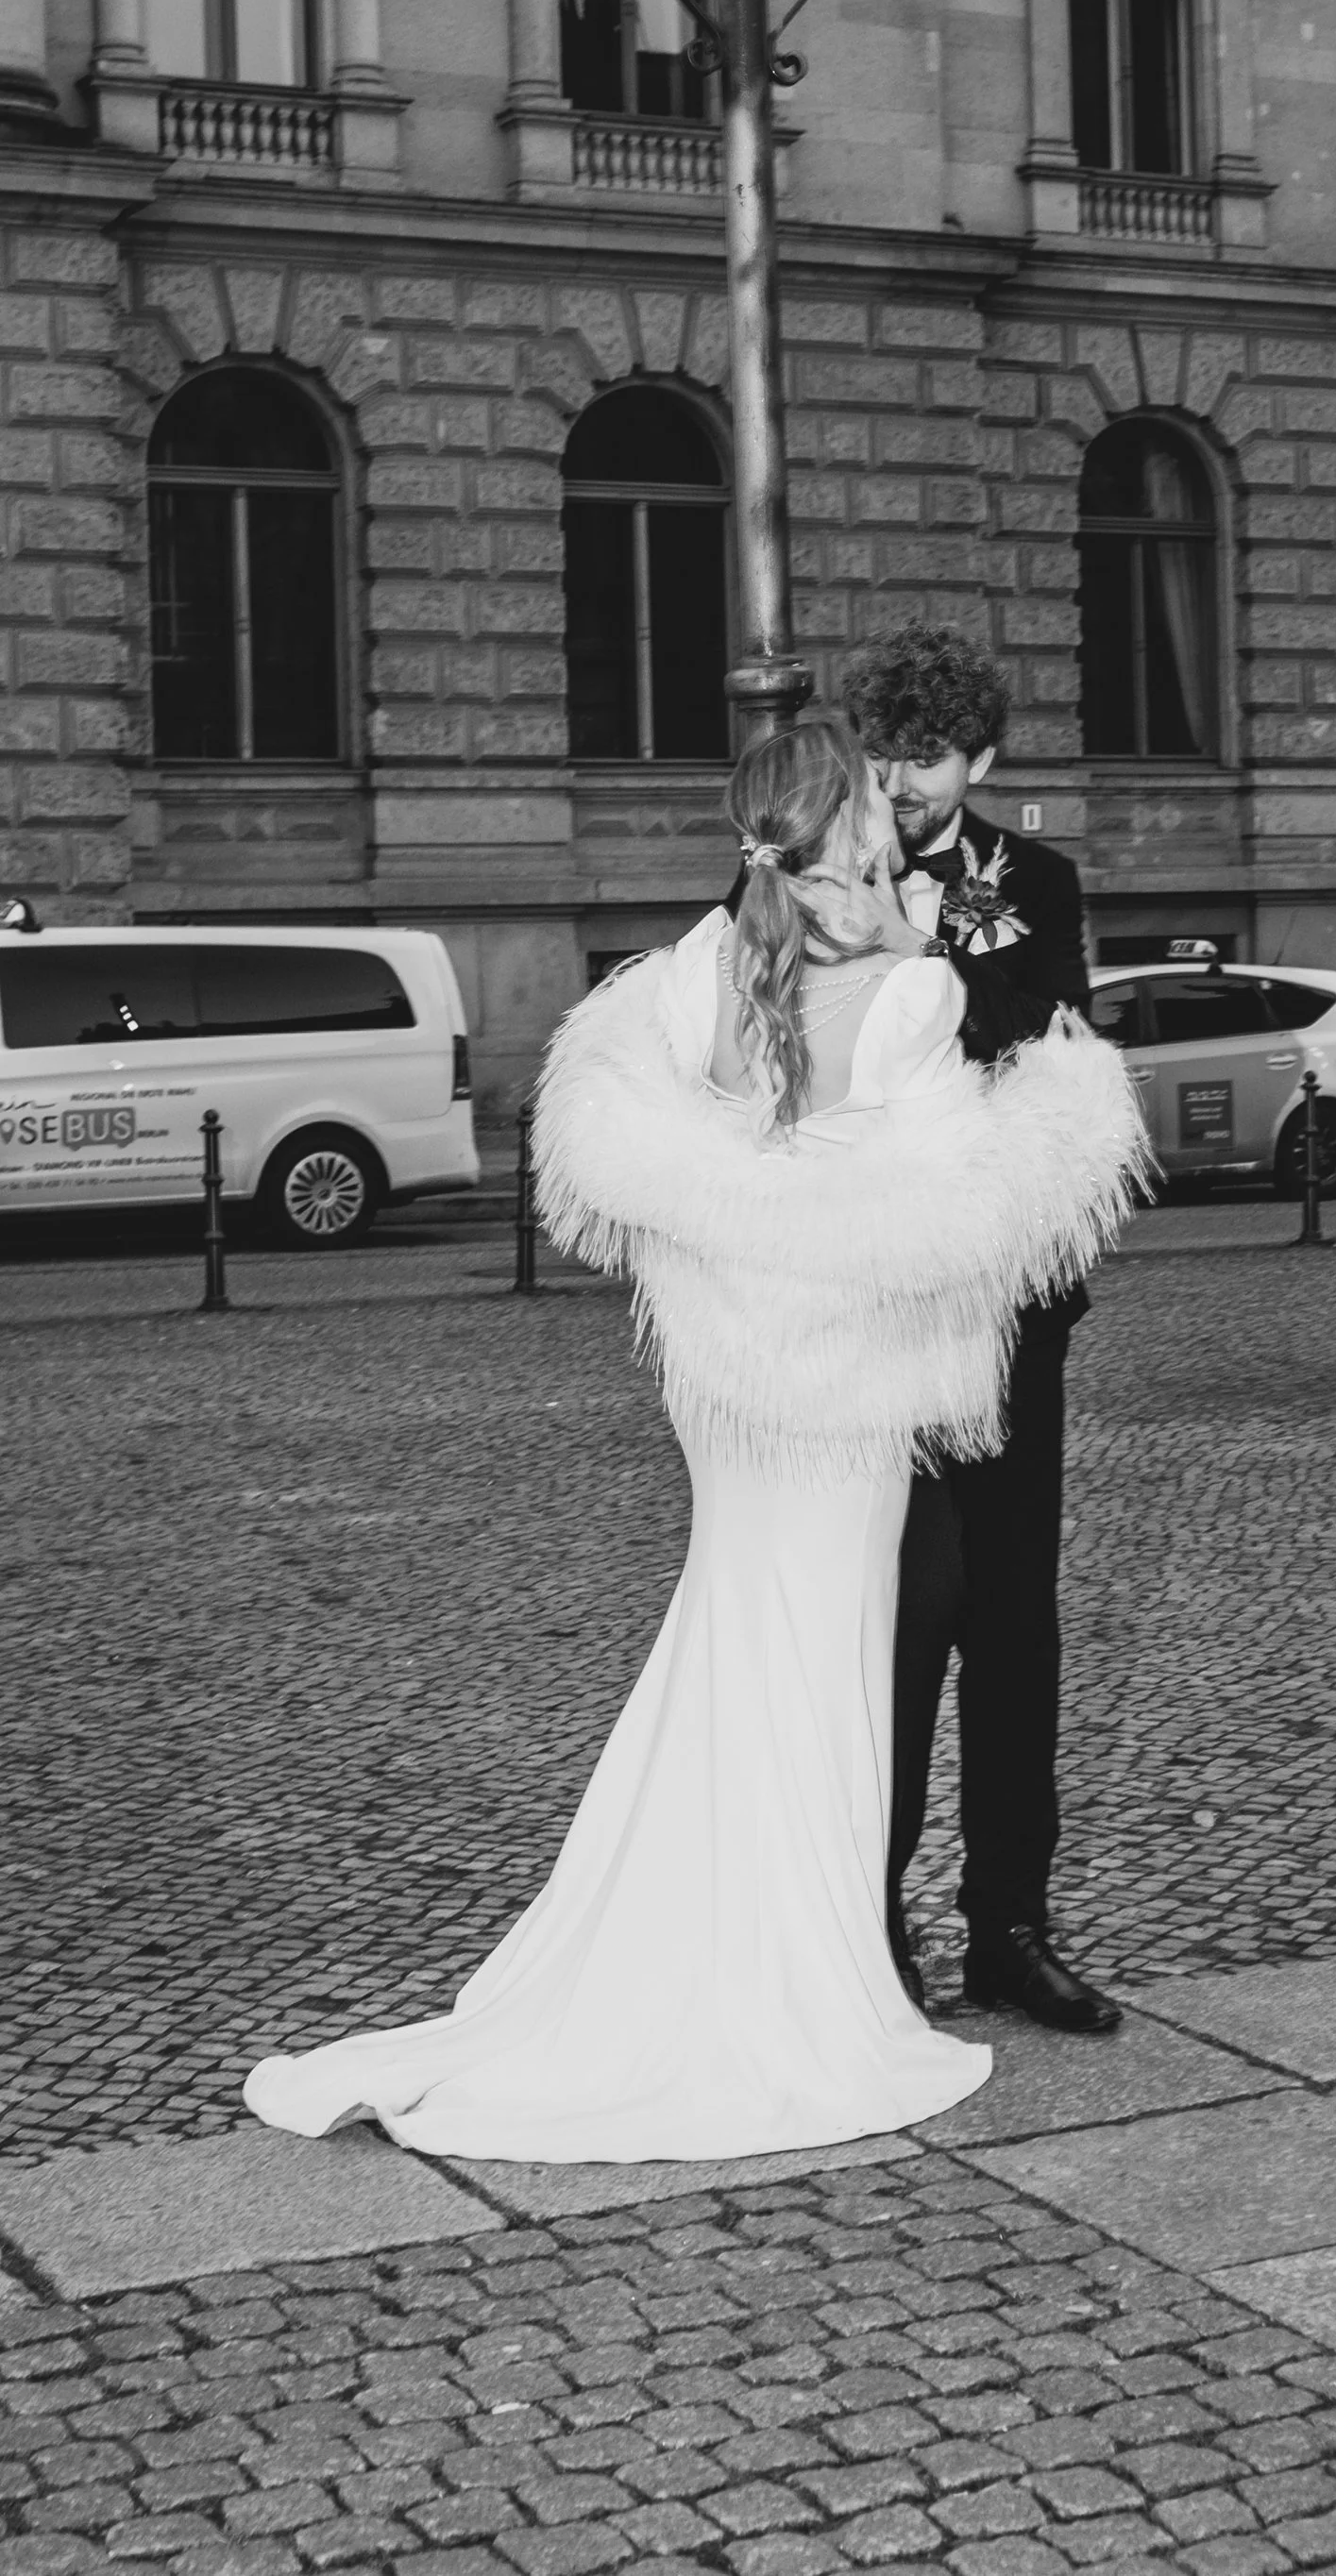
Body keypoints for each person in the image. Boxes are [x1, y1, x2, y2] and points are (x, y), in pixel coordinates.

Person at [244, 711, 1145, 2165]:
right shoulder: (912, 989)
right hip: (850, 1381)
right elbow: (947, 1188)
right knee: (839, 1654)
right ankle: (806, 1970)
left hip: (739, 1391)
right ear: (844, 827)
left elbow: (697, 1145)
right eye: (872, 797)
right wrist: (1040, 1087)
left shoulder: (693, 970)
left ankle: (760, 1936)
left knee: (740, 1640)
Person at [838, 619, 1118, 2037]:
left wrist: (927, 943)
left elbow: (1038, 1028)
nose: (901, 783)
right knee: (900, 1619)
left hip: (1012, 1314)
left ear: (982, 759)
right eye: (884, 753)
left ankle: (1011, 1923)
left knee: (1016, 1626)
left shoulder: (1039, 881)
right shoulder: (811, 866)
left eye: (929, 758)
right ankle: (869, 1916)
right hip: (878, 1323)